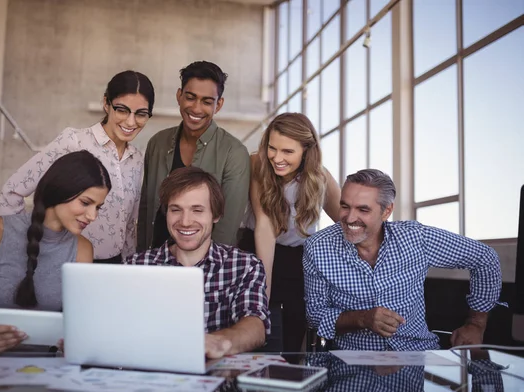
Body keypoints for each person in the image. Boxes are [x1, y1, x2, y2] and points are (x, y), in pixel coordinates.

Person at [304, 169, 504, 351]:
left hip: (416, 355)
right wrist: (362, 318)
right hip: (352, 363)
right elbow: (315, 315)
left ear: (386, 211)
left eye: (363, 210)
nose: (349, 218)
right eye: (345, 206)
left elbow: (485, 258)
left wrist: (476, 324)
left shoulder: (416, 238)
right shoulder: (318, 247)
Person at [0, 151, 111, 353]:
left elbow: (80, 326)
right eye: (86, 202)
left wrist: (74, 341)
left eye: (99, 207)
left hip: (41, 372)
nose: (92, 216)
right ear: (60, 190)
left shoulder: (82, 249)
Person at [0, 70, 154, 263]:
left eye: (141, 114)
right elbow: (12, 191)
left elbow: (130, 225)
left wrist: (128, 266)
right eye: (122, 110)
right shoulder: (74, 142)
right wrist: (23, 249)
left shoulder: (138, 159)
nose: (131, 121)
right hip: (65, 260)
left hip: (115, 265)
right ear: (106, 103)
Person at [127, 166, 269, 358]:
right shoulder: (135, 267)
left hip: (219, 383)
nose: (185, 221)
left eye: (197, 210)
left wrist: (220, 342)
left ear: (216, 215)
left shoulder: (244, 266)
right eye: (176, 210)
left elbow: (255, 325)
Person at [238, 112, 341, 352]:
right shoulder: (257, 163)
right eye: (273, 148)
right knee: (258, 333)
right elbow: (264, 226)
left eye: (288, 152)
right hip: (258, 251)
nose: (277, 158)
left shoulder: (320, 177)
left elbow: (347, 222)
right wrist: (262, 297)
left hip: (298, 261)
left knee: (292, 345)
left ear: (307, 150)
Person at [137, 61, 250, 251]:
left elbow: (227, 227)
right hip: (154, 260)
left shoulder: (234, 153)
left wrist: (209, 273)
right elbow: (146, 209)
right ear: (179, 96)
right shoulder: (157, 143)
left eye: (207, 102)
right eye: (190, 97)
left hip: (203, 269)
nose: (196, 108)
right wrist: (141, 258)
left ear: (219, 105)